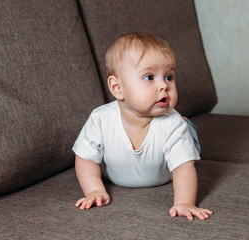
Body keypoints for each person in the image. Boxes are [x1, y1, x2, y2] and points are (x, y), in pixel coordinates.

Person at [73, 32, 213, 220]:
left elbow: (184, 169)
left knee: (186, 136)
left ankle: (190, 129)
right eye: (149, 77)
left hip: (167, 165)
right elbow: (85, 158)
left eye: (169, 77)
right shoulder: (100, 119)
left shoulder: (173, 125)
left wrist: (184, 202)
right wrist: (94, 190)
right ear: (117, 88)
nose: (164, 85)